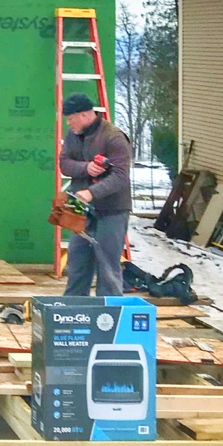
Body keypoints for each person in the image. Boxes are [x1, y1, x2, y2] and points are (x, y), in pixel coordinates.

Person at [59, 92, 132, 297]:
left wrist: (92, 193)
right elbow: (64, 164)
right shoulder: (73, 136)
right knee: (77, 264)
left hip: (112, 210)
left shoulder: (114, 137)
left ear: (83, 115)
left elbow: (120, 176)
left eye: (71, 118)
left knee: (108, 267)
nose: (69, 123)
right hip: (81, 210)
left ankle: (108, 317)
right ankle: (73, 312)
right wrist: (86, 168)